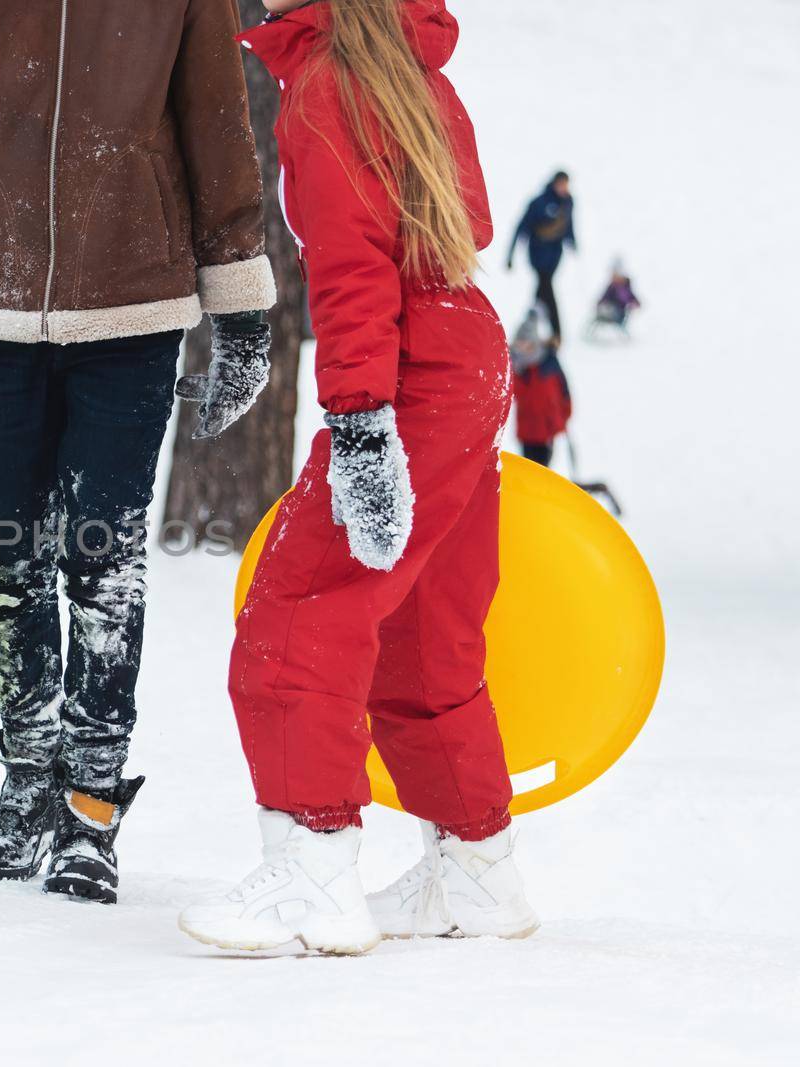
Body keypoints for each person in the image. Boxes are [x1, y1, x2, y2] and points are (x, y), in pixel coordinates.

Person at [0, 0, 276, 903]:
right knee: (8, 558)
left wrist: (241, 313)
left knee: (104, 560)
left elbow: (218, 122)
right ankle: (27, 779)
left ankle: (90, 804)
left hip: (135, 296)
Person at [180, 0, 538, 955]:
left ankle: (310, 872)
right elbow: (469, 219)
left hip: (411, 371)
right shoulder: (408, 69)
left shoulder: (326, 87)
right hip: (466, 350)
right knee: (422, 627)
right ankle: (478, 868)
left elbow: (350, 267)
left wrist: (363, 427)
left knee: (298, 610)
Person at [508, 170, 576, 340]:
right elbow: (521, 227)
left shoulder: (567, 202)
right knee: (546, 289)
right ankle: (556, 332)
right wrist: (510, 255)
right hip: (537, 255)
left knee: (541, 293)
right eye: (561, 184)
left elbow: (569, 225)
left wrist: (572, 241)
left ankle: (530, 328)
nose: (564, 188)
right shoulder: (539, 202)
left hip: (554, 256)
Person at [511, 308, 571, 465]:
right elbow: (512, 394)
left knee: (544, 467)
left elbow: (564, 392)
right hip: (527, 430)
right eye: (519, 344)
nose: (522, 349)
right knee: (529, 467)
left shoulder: (548, 364)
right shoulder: (518, 368)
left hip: (546, 430)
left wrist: (564, 416)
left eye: (527, 344)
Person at [591, 261, 641, 336]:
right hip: (607, 311)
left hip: (619, 314)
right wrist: (600, 303)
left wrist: (633, 304)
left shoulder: (625, 288)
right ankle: (603, 313)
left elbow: (633, 300)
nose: (613, 277)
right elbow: (604, 298)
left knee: (608, 309)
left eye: (615, 275)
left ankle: (605, 312)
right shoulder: (611, 287)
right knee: (603, 309)